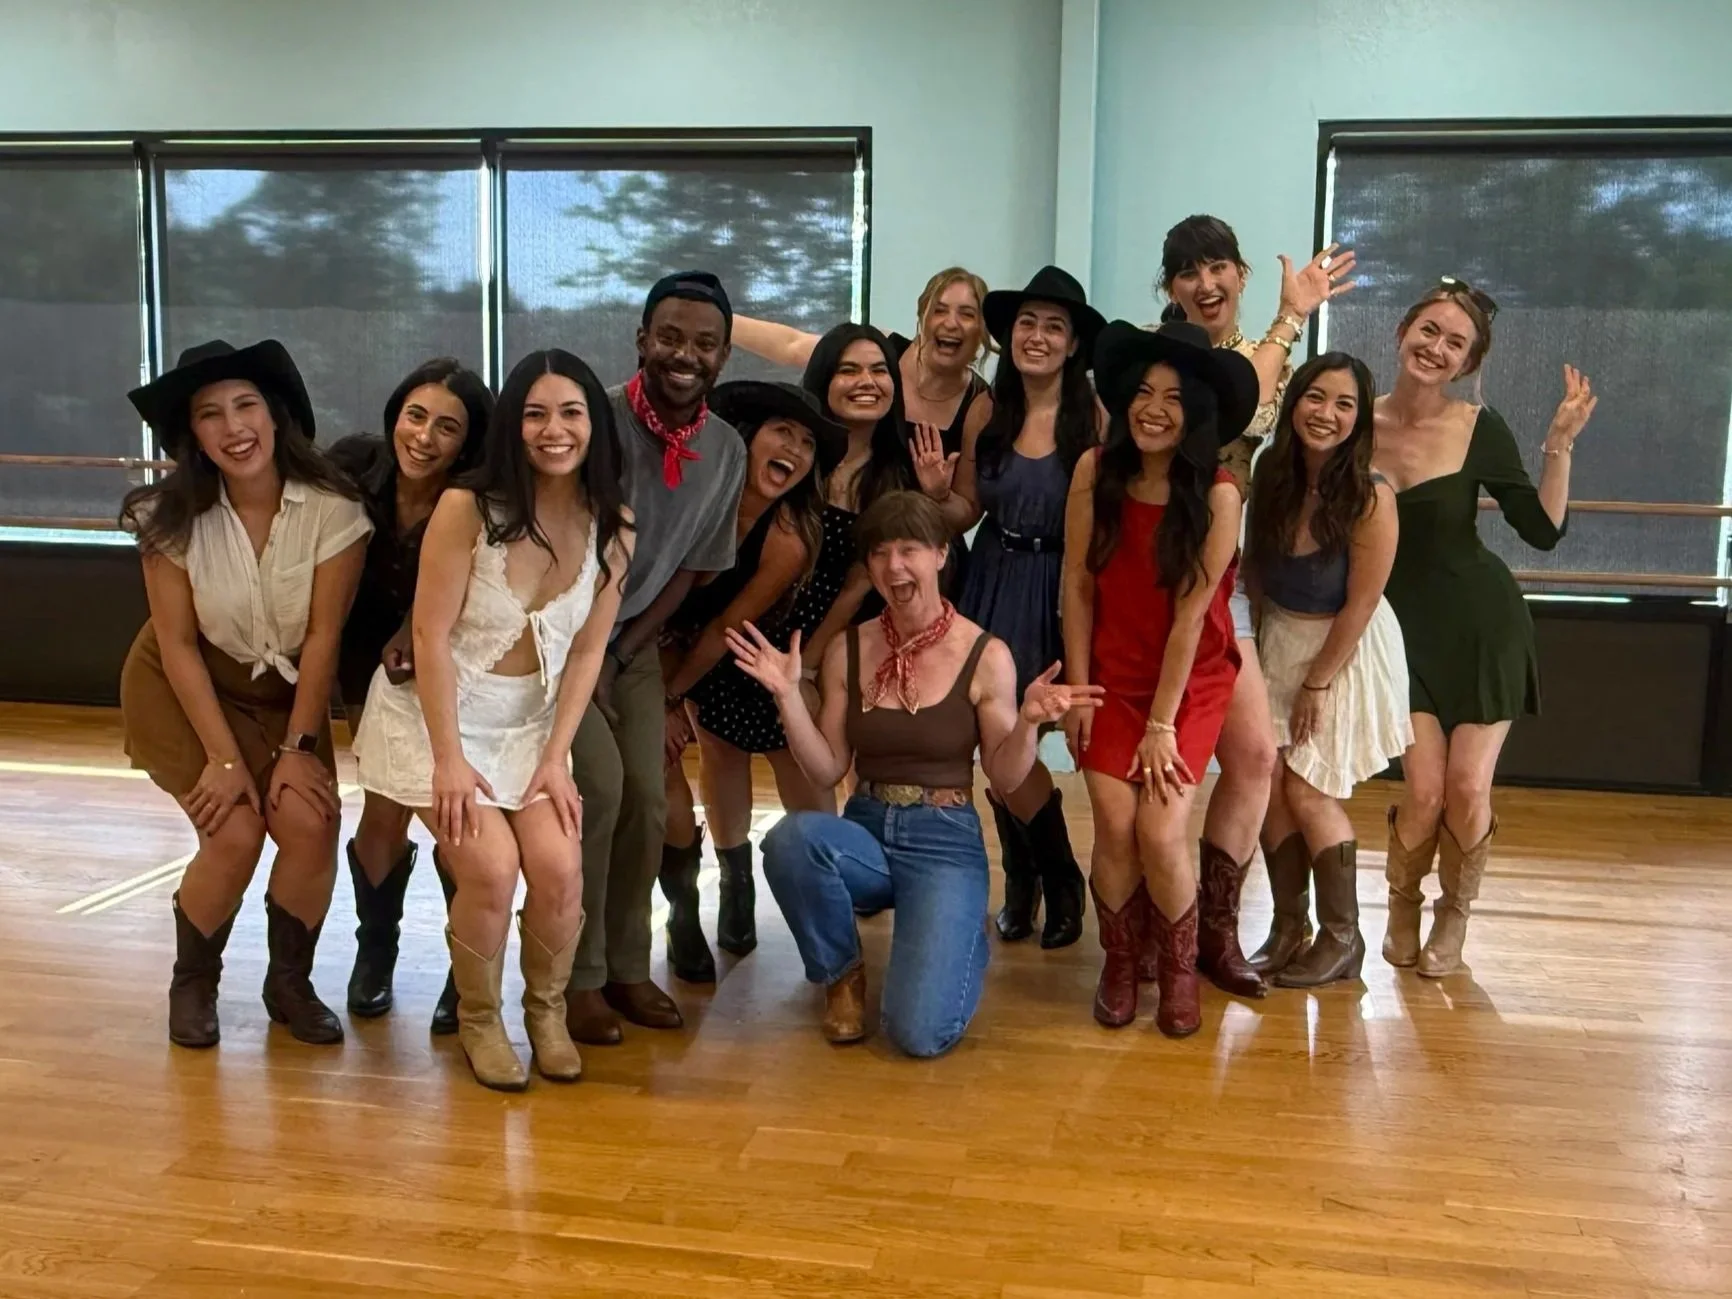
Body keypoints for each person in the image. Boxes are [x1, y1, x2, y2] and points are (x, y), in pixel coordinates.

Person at [730, 491, 1102, 1056]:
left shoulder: (985, 653)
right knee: (790, 840)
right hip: (868, 825)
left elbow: (1004, 777)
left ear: (941, 555)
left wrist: (1026, 722)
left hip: (944, 836)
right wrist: (786, 697)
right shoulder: (849, 650)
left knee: (919, 1034)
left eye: (910, 550)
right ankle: (841, 975)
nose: (894, 566)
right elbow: (828, 769)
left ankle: (959, 935)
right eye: (880, 553)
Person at [354, 349, 633, 1090]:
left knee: (561, 867)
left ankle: (544, 1011)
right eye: (535, 413)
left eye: (571, 412)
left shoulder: (615, 524)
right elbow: (428, 635)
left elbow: (587, 653)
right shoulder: (467, 507)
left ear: (594, 425)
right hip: (437, 714)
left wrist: (556, 756)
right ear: (513, 426)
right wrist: (447, 759)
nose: (554, 429)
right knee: (490, 866)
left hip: (531, 725)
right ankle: (480, 1019)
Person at [117, 339, 371, 1049]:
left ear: (276, 413)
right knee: (233, 830)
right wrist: (225, 762)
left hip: (285, 690)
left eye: (245, 405)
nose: (233, 427)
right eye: (209, 414)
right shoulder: (167, 517)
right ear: (191, 435)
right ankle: (193, 981)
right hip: (180, 685)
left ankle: (289, 981)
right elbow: (177, 646)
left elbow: (322, 640)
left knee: (311, 819)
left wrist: (300, 748)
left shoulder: (335, 510)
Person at [1155, 215, 1357, 998]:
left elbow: (1249, 404)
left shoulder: (1260, 359)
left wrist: (1292, 317)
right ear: (1169, 287)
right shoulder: (1158, 354)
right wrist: (1288, 317)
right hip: (1151, 570)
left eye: (1217, 268)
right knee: (1158, 763)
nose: (1204, 285)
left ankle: (1214, 930)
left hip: (1227, 580)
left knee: (1253, 757)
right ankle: (1150, 929)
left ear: (1238, 273)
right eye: (1187, 273)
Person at [1374, 279, 1595, 977]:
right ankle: (1401, 902)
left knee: (1468, 788)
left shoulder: (1477, 426)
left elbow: (1542, 531)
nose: (1436, 348)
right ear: (1403, 331)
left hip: (1481, 624)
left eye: (1455, 343)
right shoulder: (1355, 421)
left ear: (1468, 364)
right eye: (1429, 331)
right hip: (1396, 632)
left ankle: (1455, 915)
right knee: (1424, 791)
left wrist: (1557, 445)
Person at [563, 271, 748, 1046]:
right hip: (553, 641)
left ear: (724, 356)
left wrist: (625, 652)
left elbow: (692, 568)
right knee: (598, 792)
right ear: (642, 340)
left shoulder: (726, 448)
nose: (685, 354)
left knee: (647, 798)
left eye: (704, 343)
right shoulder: (590, 421)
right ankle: (576, 977)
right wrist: (586, 655)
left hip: (631, 641)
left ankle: (627, 967)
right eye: (669, 337)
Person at [1062, 320, 1257, 1037]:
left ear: (1197, 410)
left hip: (1187, 682)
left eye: (1173, 397)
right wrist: (1079, 692)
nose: (1153, 408)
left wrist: (1161, 725)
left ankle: (1178, 972)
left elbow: (1189, 618)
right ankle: (1120, 963)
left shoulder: (1221, 494)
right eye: (1142, 392)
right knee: (1115, 824)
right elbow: (1076, 587)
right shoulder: (1093, 470)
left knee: (1162, 828)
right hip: (1110, 676)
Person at [657, 380, 845, 983]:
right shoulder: (694, 499)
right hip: (672, 646)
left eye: (808, 442)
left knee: (800, 768)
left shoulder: (787, 538)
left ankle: (830, 895)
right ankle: (732, 887)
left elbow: (722, 629)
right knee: (719, 757)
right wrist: (669, 688)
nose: (794, 447)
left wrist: (672, 694)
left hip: (755, 652)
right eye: (781, 431)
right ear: (748, 440)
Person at [327, 358, 493, 1032]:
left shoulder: (479, 496)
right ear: (395, 413)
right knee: (385, 801)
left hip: (447, 658)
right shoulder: (352, 465)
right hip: (363, 655)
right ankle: (376, 949)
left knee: (445, 807)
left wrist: (416, 623)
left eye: (447, 426)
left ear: (468, 441)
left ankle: (467, 965)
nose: (424, 436)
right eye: (415, 415)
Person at [1244, 352, 1412, 987]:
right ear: (1295, 402)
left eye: (1345, 405)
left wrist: (1317, 681)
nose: (1328, 414)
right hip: (1279, 639)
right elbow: (1256, 575)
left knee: (1310, 789)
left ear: (1359, 419)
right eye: (1317, 398)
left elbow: (1363, 601)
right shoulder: (1272, 472)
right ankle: (1290, 929)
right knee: (1270, 789)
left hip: (1345, 648)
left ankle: (1345, 938)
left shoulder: (1371, 494)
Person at [956, 265, 1103, 949]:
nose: (1037, 337)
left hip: (1057, 587)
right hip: (989, 577)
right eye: (1026, 324)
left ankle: (1060, 876)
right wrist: (934, 492)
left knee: (1017, 746)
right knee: (992, 744)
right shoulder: (988, 409)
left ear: (1073, 344)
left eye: (1053, 327)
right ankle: (1027, 877)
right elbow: (966, 506)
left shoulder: (1092, 419)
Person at [731, 267, 994, 458]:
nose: (950, 323)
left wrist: (940, 496)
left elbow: (967, 501)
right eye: (939, 310)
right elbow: (792, 346)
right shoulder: (879, 347)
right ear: (922, 315)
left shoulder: (981, 403)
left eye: (967, 314)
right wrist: (718, 319)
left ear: (983, 328)